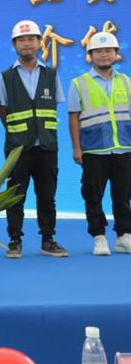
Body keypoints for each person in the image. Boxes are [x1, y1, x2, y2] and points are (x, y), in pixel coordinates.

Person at [0, 19, 68, 258]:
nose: (26, 43)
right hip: (18, 148)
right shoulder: (6, 76)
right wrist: (20, 133)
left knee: (47, 196)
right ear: (14, 44)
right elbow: (2, 110)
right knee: (14, 196)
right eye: (21, 40)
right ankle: (14, 240)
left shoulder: (51, 74)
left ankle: (48, 239)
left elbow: (54, 106)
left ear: (39, 42)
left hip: (46, 146)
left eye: (31, 39)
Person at [67, 31, 131, 255]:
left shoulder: (126, 82)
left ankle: (124, 236)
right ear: (90, 55)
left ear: (116, 54)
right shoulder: (79, 83)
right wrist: (77, 147)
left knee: (123, 196)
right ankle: (99, 237)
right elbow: (73, 117)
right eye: (99, 51)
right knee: (93, 195)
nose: (104, 55)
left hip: (124, 148)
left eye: (108, 50)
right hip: (94, 150)